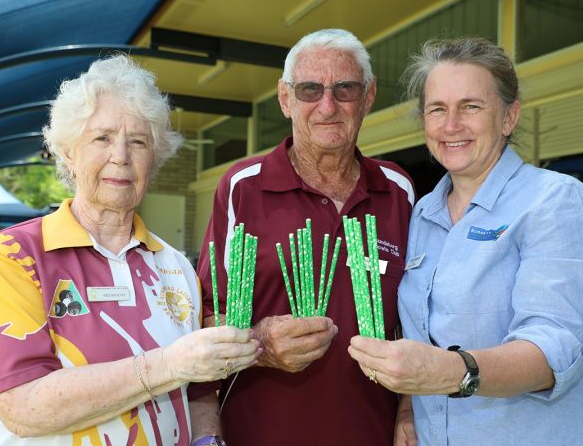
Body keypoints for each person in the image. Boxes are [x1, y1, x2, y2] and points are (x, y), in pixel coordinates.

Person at [0, 55, 261, 446]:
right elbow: (23, 405)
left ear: (155, 158)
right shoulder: (16, 254)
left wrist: (207, 440)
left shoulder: (174, 265)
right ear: (68, 152)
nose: (121, 156)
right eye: (102, 138)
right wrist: (167, 364)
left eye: (138, 141)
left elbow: (198, 389)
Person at [348, 37, 583, 445]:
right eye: (437, 109)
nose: (451, 125)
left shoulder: (555, 200)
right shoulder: (421, 214)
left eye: (471, 107)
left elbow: (556, 346)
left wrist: (456, 371)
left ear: (509, 117)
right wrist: (407, 407)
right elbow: (419, 332)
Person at [195, 29, 415, 446]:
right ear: (285, 99)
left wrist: (409, 408)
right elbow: (203, 318)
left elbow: (418, 318)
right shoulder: (242, 187)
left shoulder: (398, 189)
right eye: (310, 89)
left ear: (368, 97)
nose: (327, 106)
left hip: (373, 433)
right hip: (258, 433)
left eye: (345, 89)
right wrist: (258, 342)